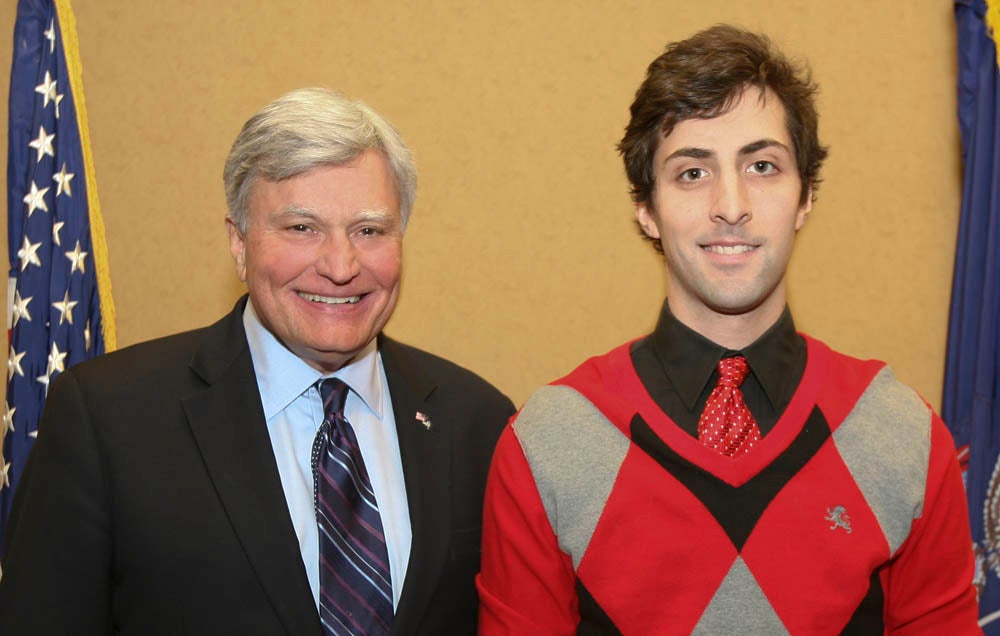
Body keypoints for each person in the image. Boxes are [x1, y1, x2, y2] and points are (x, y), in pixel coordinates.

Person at [476, 25, 981, 635]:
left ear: (805, 197)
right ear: (647, 208)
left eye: (763, 165)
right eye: (692, 172)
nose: (731, 204)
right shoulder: (545, 445)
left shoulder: (904, 437)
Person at [0, 87, 515, 636]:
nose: (341, 266)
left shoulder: (477, 420)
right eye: (301, 228)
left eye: (369, 230)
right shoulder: (108, 418)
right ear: (239, 243)